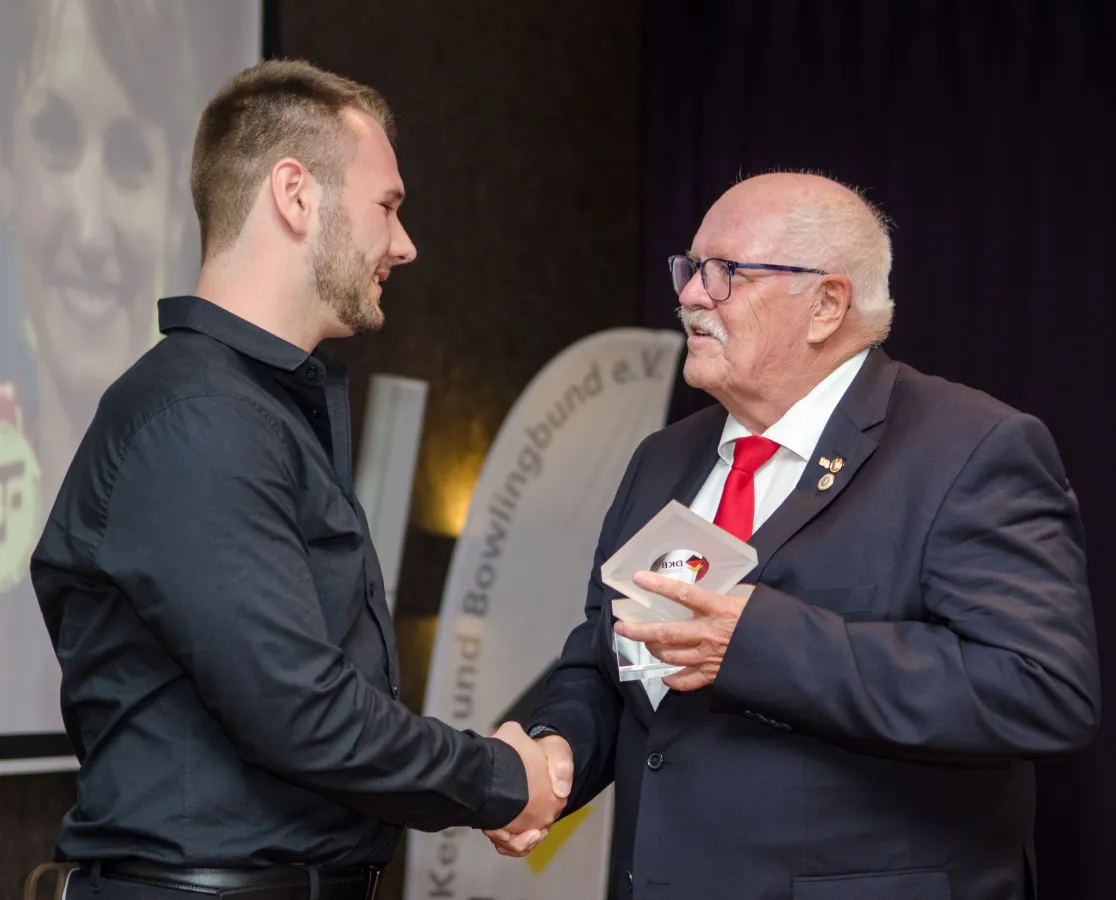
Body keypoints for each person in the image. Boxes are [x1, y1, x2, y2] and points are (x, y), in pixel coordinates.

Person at [31, 59, 565, 900]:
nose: (404, 244)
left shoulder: (247, 410)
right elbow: (302, 712)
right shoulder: (198, 420)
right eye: (387, 206)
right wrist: (500, 779)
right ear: (295, 194)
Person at [488, 173, 1101, 899]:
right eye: (689, 267)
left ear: (826, 305)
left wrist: (757, 644)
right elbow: (604, 657)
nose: (691, 296)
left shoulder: (969, 448)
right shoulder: (663, 458)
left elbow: (1039, 690)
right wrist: (559, 751)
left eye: (726, 272)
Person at [0, 0, 228, 741]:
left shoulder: (228, 501)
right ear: (6, 174)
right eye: (56, 139)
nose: (92, 231)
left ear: (175, 210)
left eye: (130, 157)